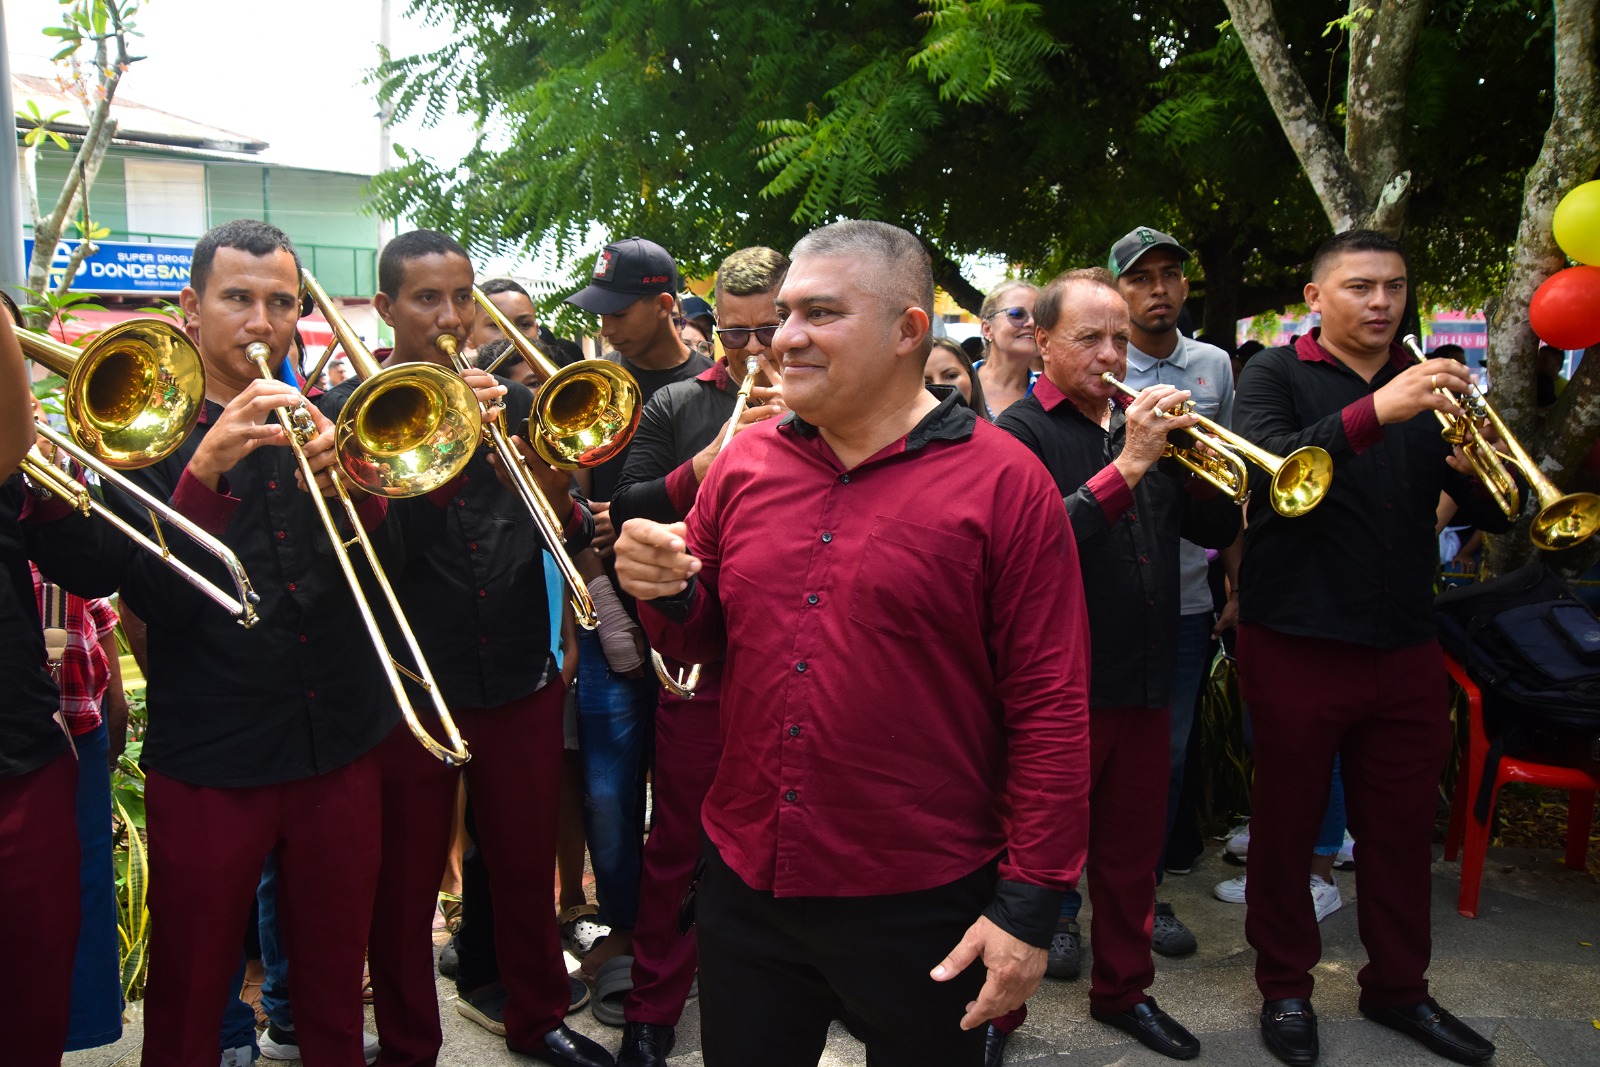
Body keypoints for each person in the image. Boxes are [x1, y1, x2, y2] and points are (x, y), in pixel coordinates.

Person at [614, 219, 1090, 1067]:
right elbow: (704, 641)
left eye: (819, 314)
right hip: (747, 880)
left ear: (910, 330)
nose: (782, 337)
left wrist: (1028, 908)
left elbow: (1051, 706)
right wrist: (666, 588)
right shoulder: (745, 463)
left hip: (923, 895)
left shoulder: (1007, 483)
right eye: (785, 311)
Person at [105, 218, 397, 1066]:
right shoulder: (145, 436)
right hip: (213, 757)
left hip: (337, 738)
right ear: (191, 310)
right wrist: (203, 474)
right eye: (239, 299)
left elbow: (387, 574)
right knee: (195, 980)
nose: (263, 322)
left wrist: (361, 489)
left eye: (282, 302)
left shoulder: (331, 422)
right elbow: (156, 600)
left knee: (336, 973)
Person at [1232, 229, 1508, 1067]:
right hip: (1297, 637)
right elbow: (1269, 473)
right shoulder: (1274, 374)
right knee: (1286, 821)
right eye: (1359, 286)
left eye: (1393, 286)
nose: (1381, 302)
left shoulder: (1425, 383)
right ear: (1316, 298)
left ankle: (1399, 988)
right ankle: (1285, 986)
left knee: (1397, 828)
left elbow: (1491, 511)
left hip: (1404, 639)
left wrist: (1479, 469)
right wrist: (1376, 412)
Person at [343, 229, 609, 1067]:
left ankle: (537, 1019)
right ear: (386, 308)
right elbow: (375, 553)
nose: (453, 316)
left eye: (463, 297)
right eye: (429, 299)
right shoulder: (355, 411)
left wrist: (535, 472)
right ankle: (411, 1046)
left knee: (525, 864)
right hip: (416, 686)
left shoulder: (517, 403)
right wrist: (450, 455)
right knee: (408, 877)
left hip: (521, 669)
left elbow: (565, 530)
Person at [996, 268, 1238, 1061]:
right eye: (1090, 339)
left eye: (1121, 341)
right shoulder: (1017, 435)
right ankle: (996, 1019)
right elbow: (1033, 549)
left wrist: (1194, 457)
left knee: (1133, 856)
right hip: (1059, 685)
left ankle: (1124, 992)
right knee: (1032, 863)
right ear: (1041, 341)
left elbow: (1208, 525)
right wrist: (1132, 461)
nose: (1111, 356)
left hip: (1148, 667)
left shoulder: (1139, 423)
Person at [608, 245, 789, 1066]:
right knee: (676, 841)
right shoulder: (680, 402)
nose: (751, 351)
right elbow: (624, 505)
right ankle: (653, 1004)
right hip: (702, 660)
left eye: (769, 329)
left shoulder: (835, 405)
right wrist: (708, 467)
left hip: (796, 661)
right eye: (734, 330)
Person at [564, 237, 715, 979]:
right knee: (606, 791)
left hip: (697, 620)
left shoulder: (711, 390)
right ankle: (626, 930)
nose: (606, 326)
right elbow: (575, 504)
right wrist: (594, 571)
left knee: (699, 791)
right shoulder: (592, 384)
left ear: (664, 307)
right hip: (609, 619)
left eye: (619, 312)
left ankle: (697, 928)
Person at [0, 310, 127, 1063]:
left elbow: (95, 569)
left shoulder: (20, 471)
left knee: (32, 997)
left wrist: (51, 483)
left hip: (18, 746)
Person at [1110, 225, 1240, 959]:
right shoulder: (1101, 360)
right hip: (1107, 594)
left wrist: (1236, 581)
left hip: (1189, 595)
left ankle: (1146, 889)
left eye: (1170, 275)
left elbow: (1230, 482)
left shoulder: (1215, 365)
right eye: (1141, 278)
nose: (1157, 289)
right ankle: (1064, 901)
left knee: (1169, 754)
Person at [973, 280, 1039, 418]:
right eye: (1017, 314)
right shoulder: (957, 382)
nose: (1032, 323)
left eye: (1039, 316)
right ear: (987, 329)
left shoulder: (1050, 395)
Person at [925, 336, 991, 419]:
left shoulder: (997, 430)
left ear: (970, 375)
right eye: (926, 383)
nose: (939, 386)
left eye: (951, 376)